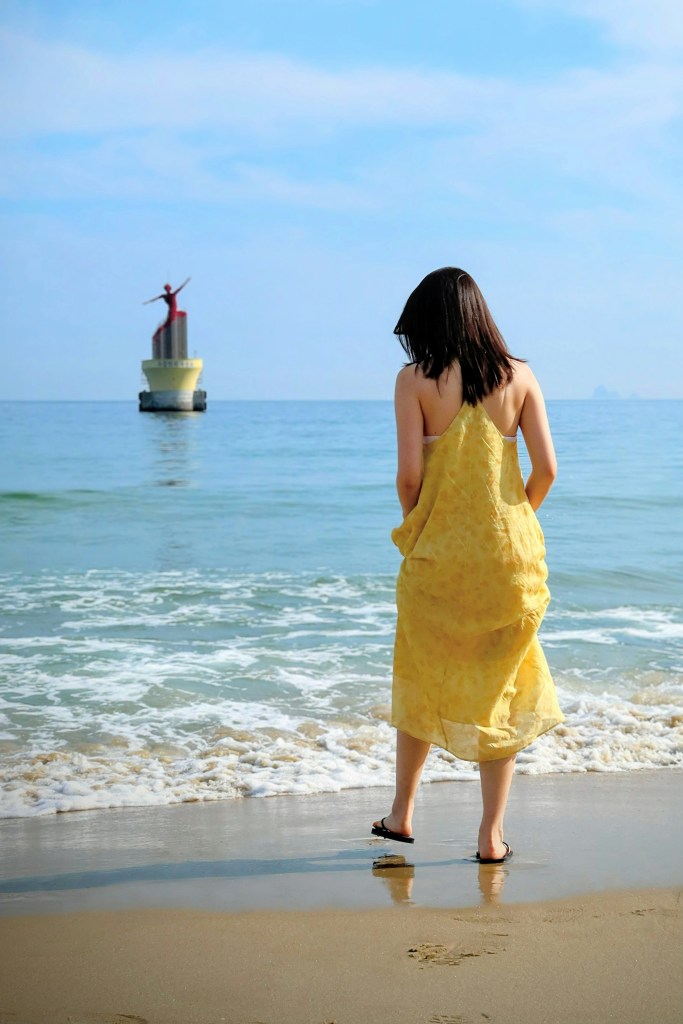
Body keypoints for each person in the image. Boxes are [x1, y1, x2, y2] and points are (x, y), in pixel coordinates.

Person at [371, 267, 564, 864]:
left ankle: (402, 816)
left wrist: (420, 526)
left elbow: (409, 476)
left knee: (422, 677)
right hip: (511, 563)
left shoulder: (413, 381)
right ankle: (490, 837)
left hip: (438, 561)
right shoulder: (520, 376)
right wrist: (510, 525)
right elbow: (547, 471)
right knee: (500, 691)